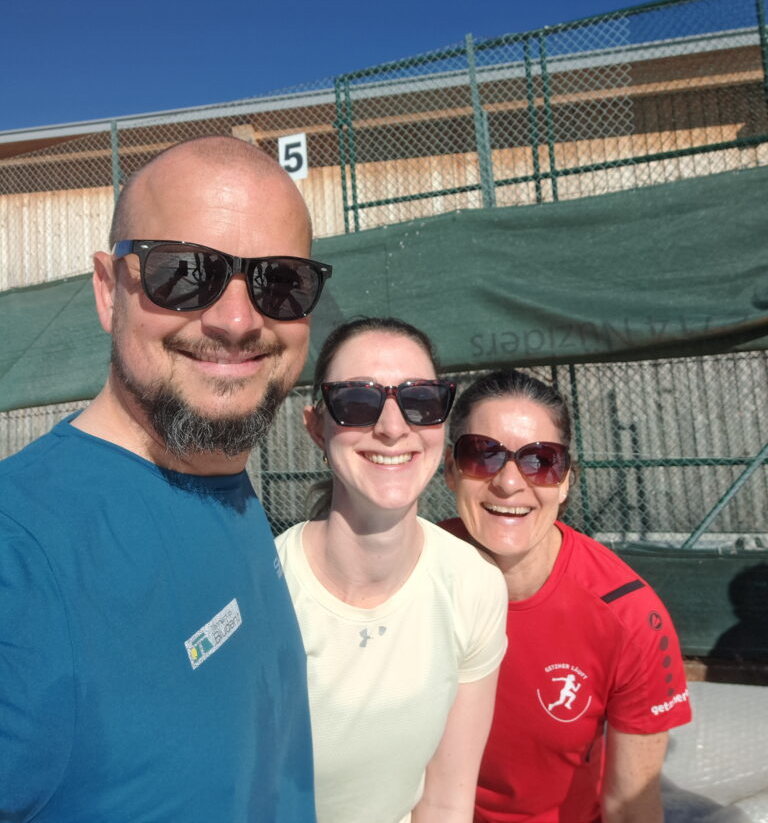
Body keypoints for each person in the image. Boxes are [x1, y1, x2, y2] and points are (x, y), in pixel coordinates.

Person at [0, 136, 331, 822]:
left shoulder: (221, 482)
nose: (237, 321)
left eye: (280, 282)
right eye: (183, 272)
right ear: (107, 290)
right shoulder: (19, 559)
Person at [276, 317, 509, 823]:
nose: (392, 427)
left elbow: (446, 802)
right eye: (357, 401)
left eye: (421, 401)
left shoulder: (473, 586)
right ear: (316, 426)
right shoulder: (264, 590)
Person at [441, 369, 692, 823]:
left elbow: (631, 809)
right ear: (450, 471)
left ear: (565, 481)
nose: (509, 483)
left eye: (541, 460)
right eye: (483, 455)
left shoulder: (628, 616)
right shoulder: (409, 576)